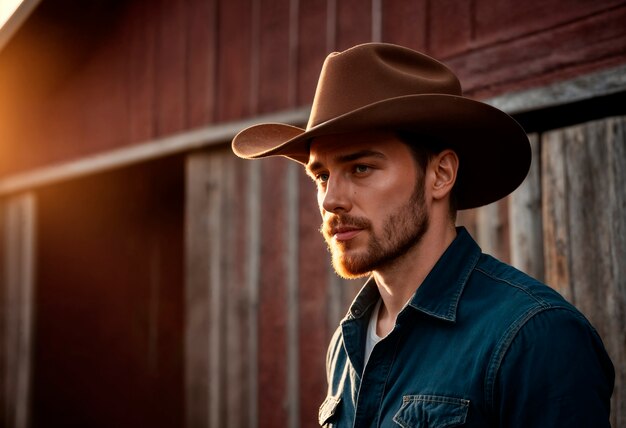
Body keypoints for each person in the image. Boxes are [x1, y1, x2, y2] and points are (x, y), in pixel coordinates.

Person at [231, 43, 614, 427]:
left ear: (440, 175)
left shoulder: (533, 337)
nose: (331, 200)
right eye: (322, 176)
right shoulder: (348, 343)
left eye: (361, 168)